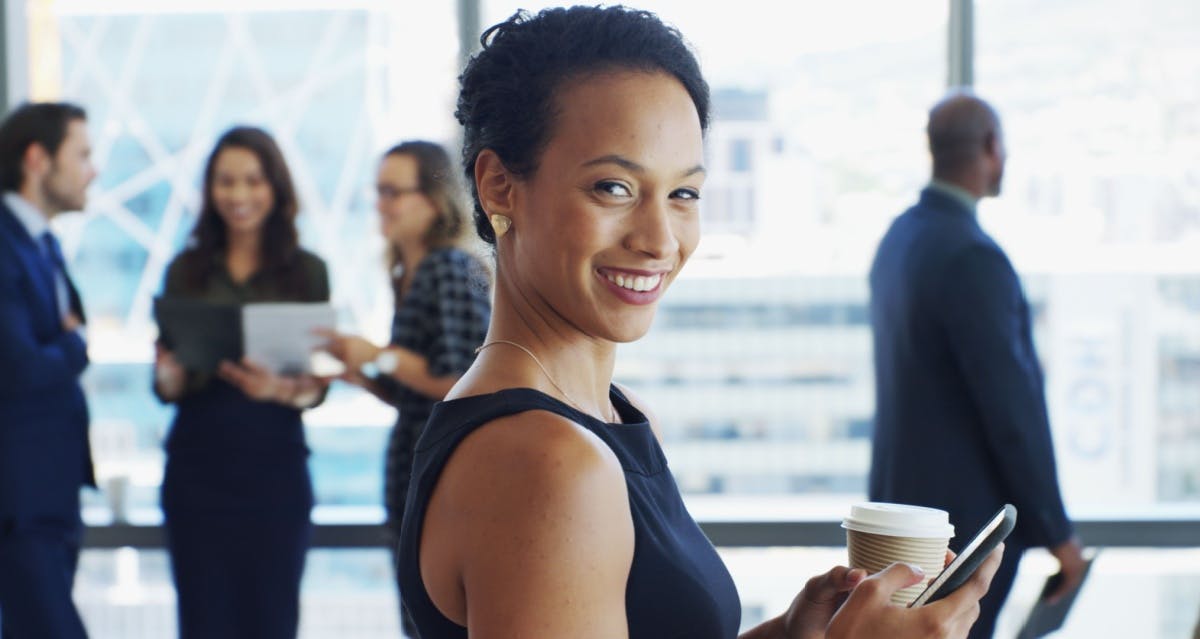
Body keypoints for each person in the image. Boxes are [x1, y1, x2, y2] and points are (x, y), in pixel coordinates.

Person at [397, 7, 1002, 638]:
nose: (660, 239)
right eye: (613, 187)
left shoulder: (611, 416)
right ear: (499, 186)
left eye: (683, 194)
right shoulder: (545, 461)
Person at [867, 92, 1088, 639]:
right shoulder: (972, 256)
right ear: (991, 148)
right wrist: (1059, 536)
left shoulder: (899, 240)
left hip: (899, 519)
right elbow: (1012, 414)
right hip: (959, 542)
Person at [153, 126, 329, 639]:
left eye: (252, 181)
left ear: (275, 188)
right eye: (225, 182)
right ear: (209, 190)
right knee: (203, 624)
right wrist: (169, 376)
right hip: (198, 471)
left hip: (275, 471)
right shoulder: (185, 271)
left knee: (273, 622)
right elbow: (165, 387)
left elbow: (316, 384)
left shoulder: (307, 273)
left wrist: (276, 389)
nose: (239, 195)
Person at [319, 140, 490, 637]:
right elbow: (420, 390)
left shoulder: (447, 268)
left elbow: (460, 378)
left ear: (434, 200)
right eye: (378, 192)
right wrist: (366, 377)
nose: (382, 205)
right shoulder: (412, 273)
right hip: (417, 468)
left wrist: (377, 355)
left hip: (441, 476)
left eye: (394, 192)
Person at [0, 102, 96, 639]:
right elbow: (19, 368)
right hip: (18, 502)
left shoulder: (44, 244)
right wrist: (76, 344)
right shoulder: (4, 245)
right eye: (81, 154)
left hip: (50, 494)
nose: (92, 170)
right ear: (37, 159)